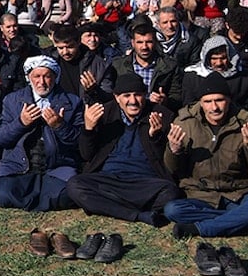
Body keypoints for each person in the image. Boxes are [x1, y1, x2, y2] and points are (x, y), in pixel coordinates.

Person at [68, 74, 180, 225]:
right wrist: (88, 129)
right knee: (75, 185)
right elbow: (86, 155)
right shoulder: (104, 113)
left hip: (144, 182)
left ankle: (109, 205)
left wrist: (156, 136)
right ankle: (137, 215)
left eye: (138, 95)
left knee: (170, 193)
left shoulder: (161, 115)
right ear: (116, 97)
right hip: (109, 179)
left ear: (145, 95)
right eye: (126, 96)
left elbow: (164, 162)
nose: (133, 101)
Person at [164, 74, 248, 238]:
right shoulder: (185, 123)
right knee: (172, 210)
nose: (214, 107)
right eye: (207, 102)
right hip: (201, 195)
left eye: (219, 100)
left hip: (238, 193)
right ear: (200, 102)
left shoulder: (247, 123)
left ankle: (200, 228)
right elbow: (173, 170)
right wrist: (174, 151)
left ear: (229, 100)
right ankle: (238, 221)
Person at [0, 56, 82, 212]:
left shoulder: (72, 102)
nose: (42, 82)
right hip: (19, 167)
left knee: (69, 194)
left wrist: (60, 126)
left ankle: (34, 198)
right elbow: (1, 139)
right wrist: (21, 123)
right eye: (37, 76)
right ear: (29, 78)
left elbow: (80, 142)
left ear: (55, 77)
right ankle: (43, 199)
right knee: (1, 194)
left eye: (47, 76)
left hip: (57, 167)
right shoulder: (12, 100)